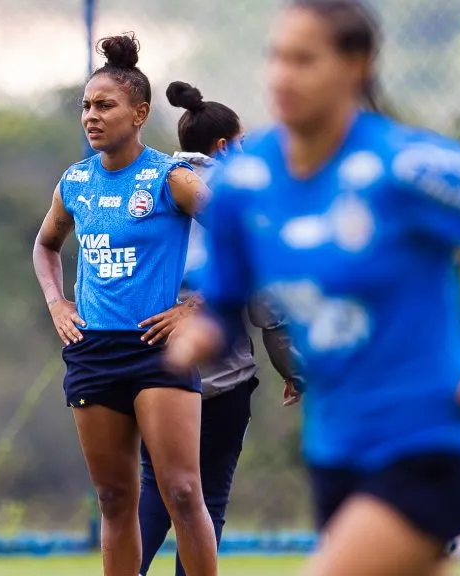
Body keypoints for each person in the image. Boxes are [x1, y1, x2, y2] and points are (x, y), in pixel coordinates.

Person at [164, 1, 460, 575]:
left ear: (357, 65)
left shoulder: (403, 166)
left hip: (432, 440)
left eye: (304, 60)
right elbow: (232, 290)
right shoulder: (245, 182)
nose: (283, 76)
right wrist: (203, 332)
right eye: (277, 58)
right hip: (337, 446)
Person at [31, 33, 218, 576]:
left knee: (182, 491)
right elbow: (46, 246)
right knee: (114, 500)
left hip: (158, 351)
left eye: (105, 106)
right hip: (93, 353)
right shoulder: (75, 182)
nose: (92, 117)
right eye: (86, 106)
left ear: (139, 113)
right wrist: (57, 303)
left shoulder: (170, 179)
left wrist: (195, 306)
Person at [137, 81, 305, 576]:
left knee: (154, 489)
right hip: (221, 375)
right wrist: (292, 368)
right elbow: (267, 305)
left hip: (151, 363)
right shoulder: (232, 201)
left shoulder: (152, 183)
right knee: (208, 496)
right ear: (225, 146)